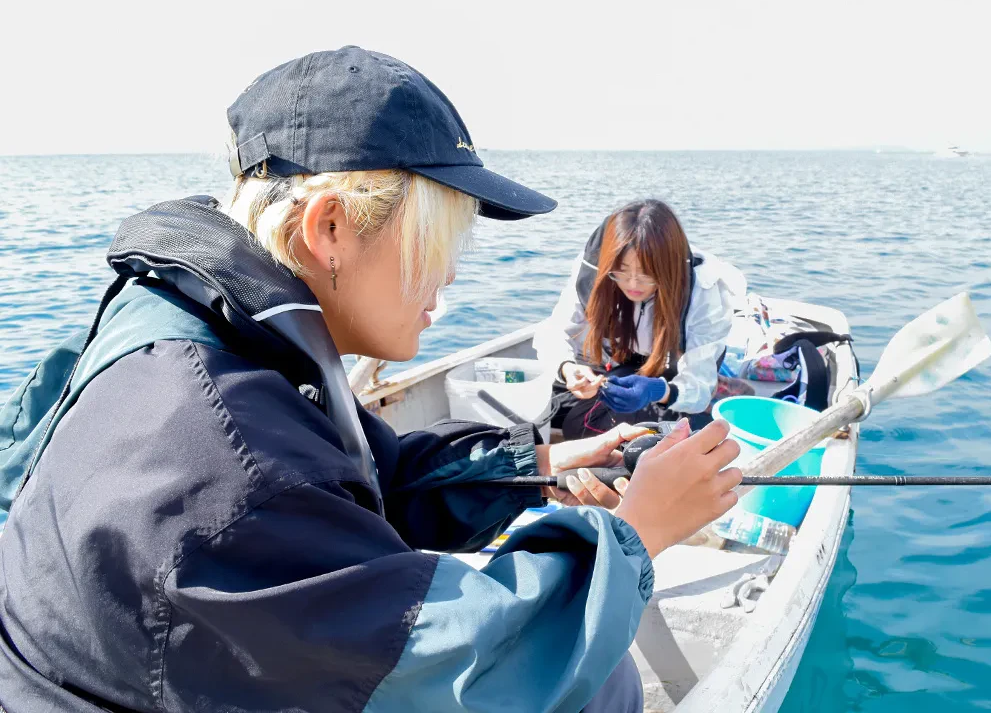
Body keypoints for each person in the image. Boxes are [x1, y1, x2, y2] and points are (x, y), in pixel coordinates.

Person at [0, 47, 743, 713]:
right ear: (329, 229)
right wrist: (636, 534)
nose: (449, 271)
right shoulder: (222, 467)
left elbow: (369, 476)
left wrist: (537, 465)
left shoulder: (198, 338)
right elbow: (468, 672)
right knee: (599, 681)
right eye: (438, 238)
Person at [534, 200, 746, 439]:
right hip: (622, 358)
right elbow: (553, 333)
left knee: (664, 434)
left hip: (675, 366)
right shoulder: (594, 270)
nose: (633, 284)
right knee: (564, 417)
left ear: (669, 269)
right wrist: (568, 369)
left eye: (647, 273)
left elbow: (699, 385)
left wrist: (659, 390)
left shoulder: (704, 291)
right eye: (621, 271)